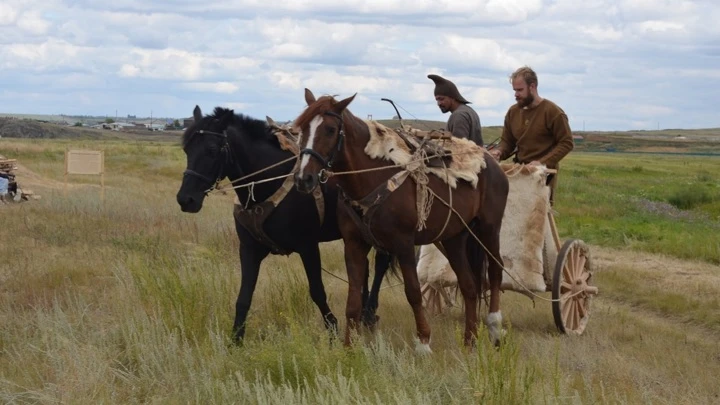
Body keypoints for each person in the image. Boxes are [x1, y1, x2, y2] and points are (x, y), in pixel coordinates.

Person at [489, 66, 574, 205]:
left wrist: (541, 163)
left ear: (532, 86)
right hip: (519, 173)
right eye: (514, 90)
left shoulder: (552, 112)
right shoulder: (513, 112)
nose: (516, 94)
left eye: (520, 90)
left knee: (537, 221)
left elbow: (566, 143)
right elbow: (507, 142)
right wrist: (499, 152)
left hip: (542, 176)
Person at [427, 74, 483, 146]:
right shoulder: (468, 110)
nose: (439, 103)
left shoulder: (459, 115)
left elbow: (459, 147)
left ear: (452, 98)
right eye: (437, 100)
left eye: (441, 99)